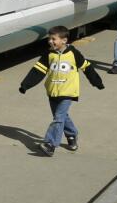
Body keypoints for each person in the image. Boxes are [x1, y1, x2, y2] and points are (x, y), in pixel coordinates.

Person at [19, 25, 105, 156]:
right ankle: (72, 134)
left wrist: (97, 82)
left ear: (64, 40)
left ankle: (50, 144)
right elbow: (38, 71)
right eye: (49, 39)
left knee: (58, 118)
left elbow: (87, 68)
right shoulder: (48, 54)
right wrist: (25, 85)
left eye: (54, 39)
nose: (50, 41)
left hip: (68, 92)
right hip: (52, 91)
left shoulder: (73, 53)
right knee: (61, 116)